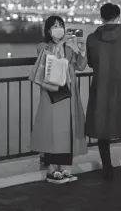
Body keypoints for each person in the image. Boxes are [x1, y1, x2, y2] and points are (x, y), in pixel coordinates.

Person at [85, 3, 121, 180]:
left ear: (101, 17)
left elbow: (92, 63)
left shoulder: (92, 39)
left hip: (101, 87)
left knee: (102, 126)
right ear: (119, 16)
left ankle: (107, 168)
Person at [31, 16, 88, 184]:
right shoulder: (44, 46)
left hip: (68, 93)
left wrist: (81, 49)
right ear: (48, 30)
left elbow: (80, 65)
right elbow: (50, 59)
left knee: (67, 130)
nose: (58, 29)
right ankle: (51, 168)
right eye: (55, 26)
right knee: (50, 129)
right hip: (52, 91)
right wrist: (60, 44)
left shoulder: (69, 46)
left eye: (61, 26)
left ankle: (65, 167)